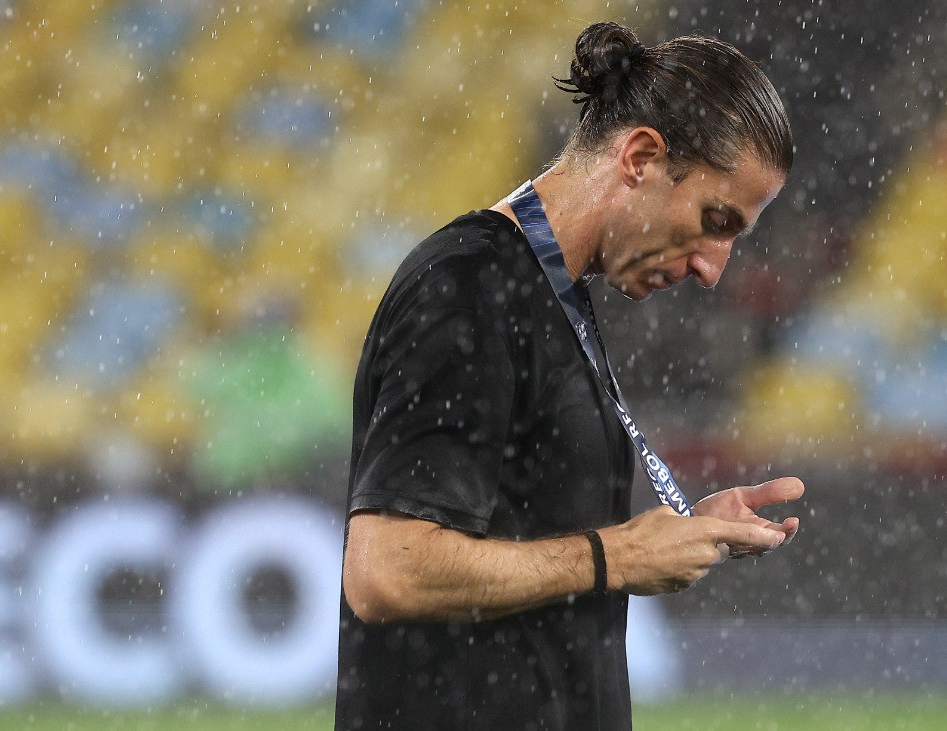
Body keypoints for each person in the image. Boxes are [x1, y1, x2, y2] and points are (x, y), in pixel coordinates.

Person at [336, 21, 804, 730]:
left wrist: (675, 537)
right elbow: (387, 569)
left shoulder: (545, 293)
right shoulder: (468, 285)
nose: (715, 268)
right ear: (641, 156)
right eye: (716, 219)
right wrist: (616, 553)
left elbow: (522, 531)